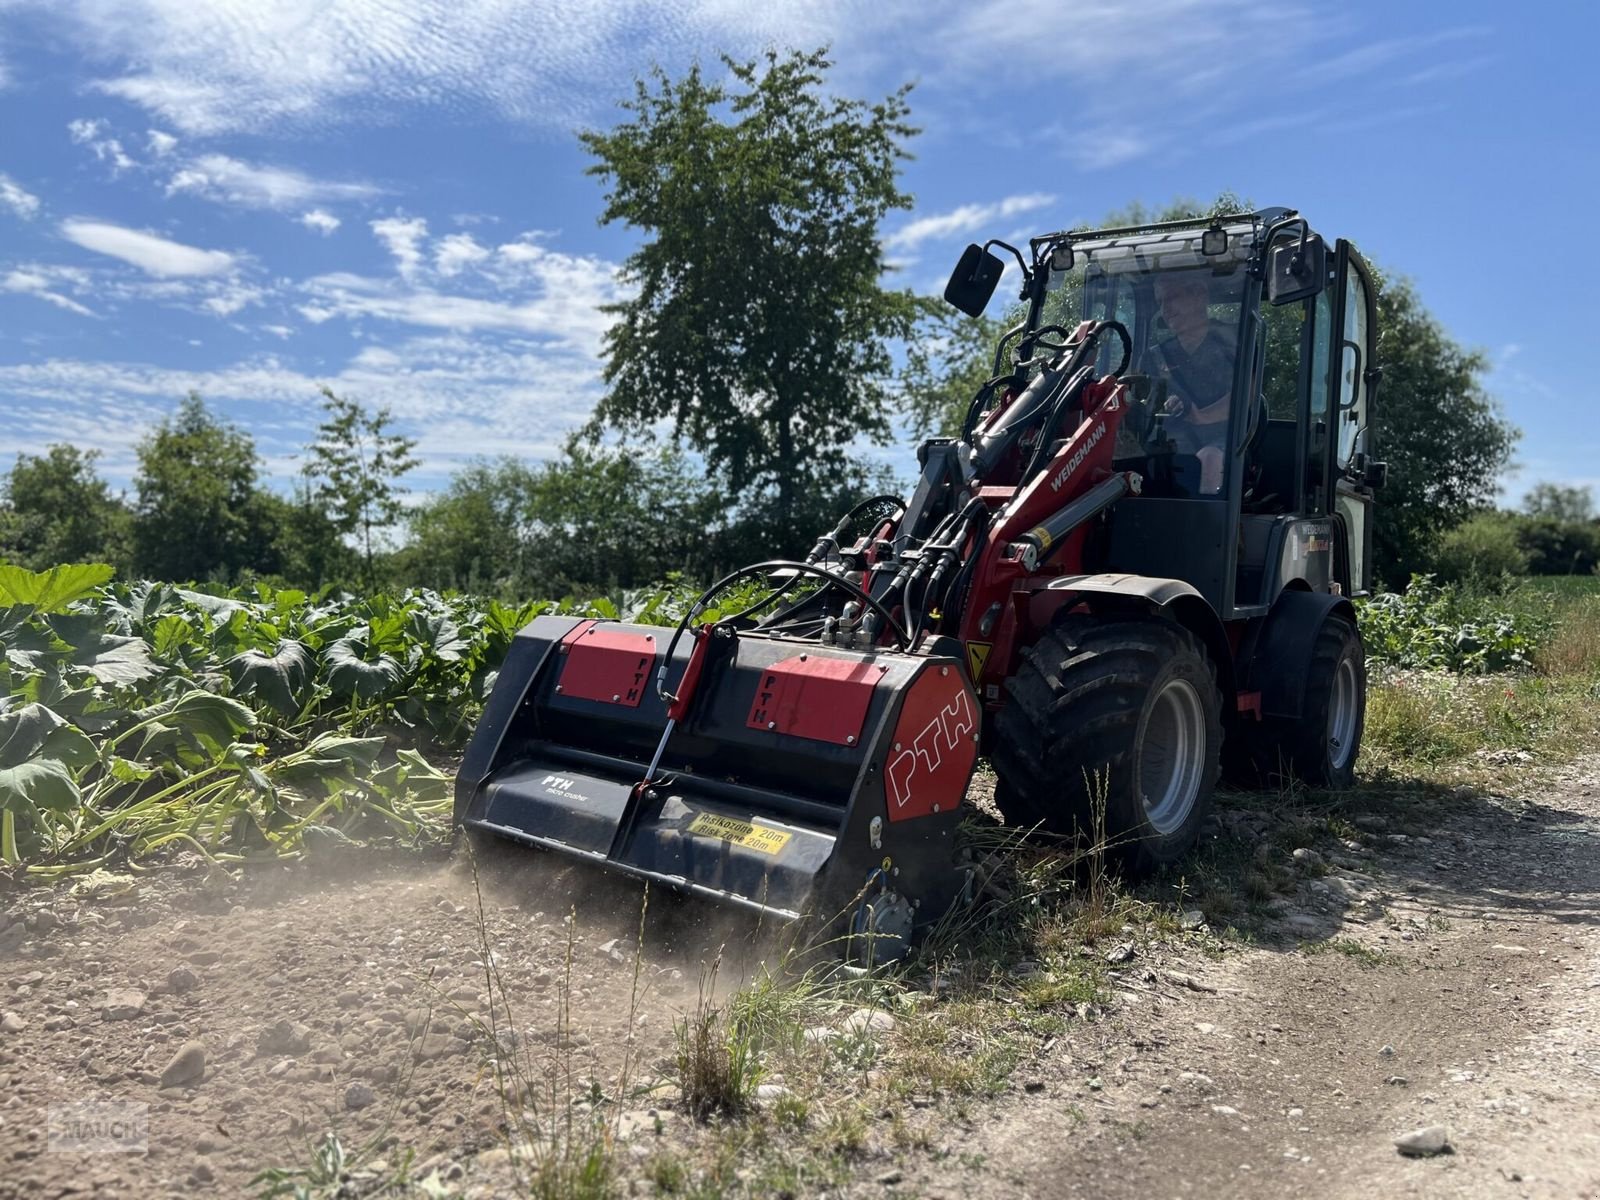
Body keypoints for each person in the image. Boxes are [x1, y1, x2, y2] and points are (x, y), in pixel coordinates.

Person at [1144, 270, 1236, 494]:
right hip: (1169, 443)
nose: (1165, 309)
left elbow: (1247, 394)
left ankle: (1207, 523)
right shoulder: (1155, 356)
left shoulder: (1232, 340)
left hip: (1227, 440)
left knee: (1209, 458)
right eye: (1160, 302)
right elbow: (1142, 403)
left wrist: (1201, 416)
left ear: (1199, 296)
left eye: (1172, 297)